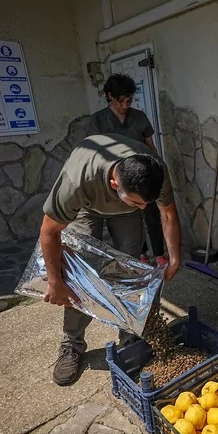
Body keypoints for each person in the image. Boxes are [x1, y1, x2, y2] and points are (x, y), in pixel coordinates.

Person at [40, 133, 182, 386]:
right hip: (86, 206)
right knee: (79, 272)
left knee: (129, 268)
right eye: (139, 203)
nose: (144, 208)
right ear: (115, 183)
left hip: (122, 208)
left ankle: (130, 337)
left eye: (146, 203)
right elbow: (49, 231)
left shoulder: (154, 173)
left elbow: (168, 215)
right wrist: (54, 281)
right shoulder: (77, 181)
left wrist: (174, 258)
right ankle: (72, 343)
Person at [88, 73, 166, 265]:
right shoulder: (98, 120)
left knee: (151, 212)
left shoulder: (139, 117)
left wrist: (159, 168)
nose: (125, 105)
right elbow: (94, 152)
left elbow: (150, 146)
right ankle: (142, 254)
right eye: (120, 100)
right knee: (130, 217)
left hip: (143, 173)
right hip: (117, 178)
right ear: (109, 96)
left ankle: (160, 254)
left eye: (129, 100)